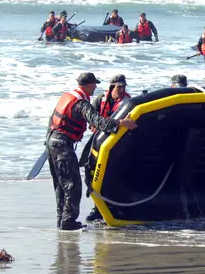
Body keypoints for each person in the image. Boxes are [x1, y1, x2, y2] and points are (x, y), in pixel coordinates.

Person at [46, 72, 137, 230]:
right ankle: (68, 222)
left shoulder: (67, 96)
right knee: (72, 186)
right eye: (94, 84)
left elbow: (52, 120)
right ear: (87, 85)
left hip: (51, 141)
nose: (96, 87)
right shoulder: (82, 103)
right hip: (62, 145)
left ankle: (62, 219)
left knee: (61, 185)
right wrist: (121, 122)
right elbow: (98, 121)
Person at [85, 74, 132, 222]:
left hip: (116, 144)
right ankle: (97, 208)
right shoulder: (100, 99)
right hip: (98, 141)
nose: (121, 90)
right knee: (93, 174)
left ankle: (114, 208)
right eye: (118, 87)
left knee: (113, 176)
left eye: (123, 87)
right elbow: (90, 116)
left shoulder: (128, 102)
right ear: (111, 87)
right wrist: (93, 125)